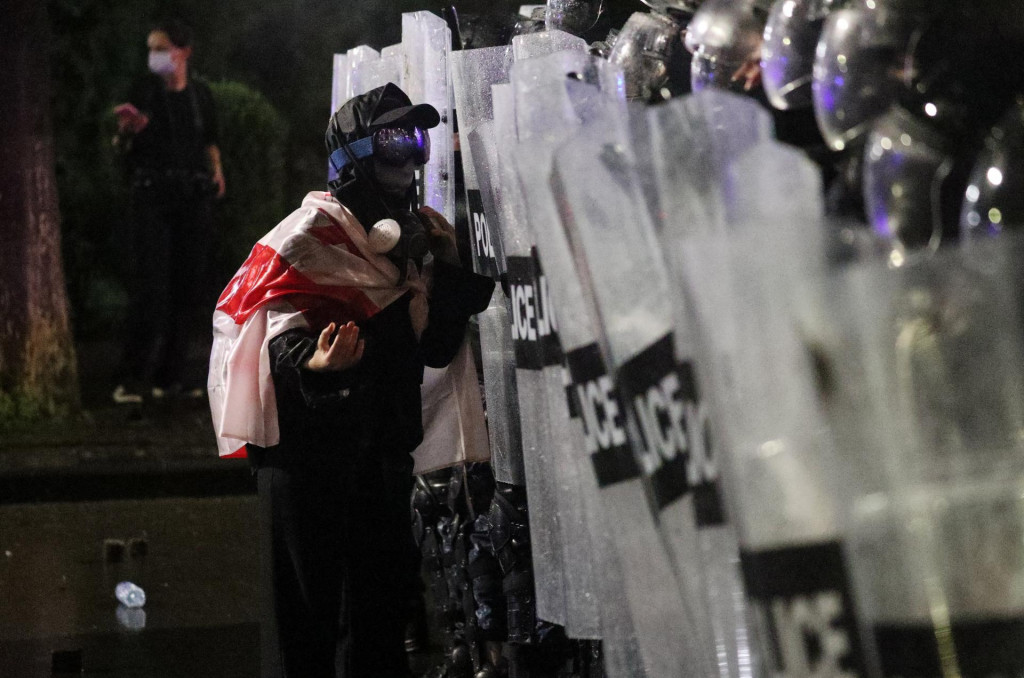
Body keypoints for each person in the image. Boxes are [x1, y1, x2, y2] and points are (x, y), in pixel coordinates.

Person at [207, 83, 495, 678]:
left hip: (379, 453)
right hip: (306, 456)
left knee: (377, 618)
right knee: (307, 624)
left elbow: (436, 349)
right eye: (394, 139)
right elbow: (261, 338)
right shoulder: (308, 238)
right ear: (355, 153)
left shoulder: (409, 244)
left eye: (418, 139)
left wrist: (446, 267)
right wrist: (313, 365)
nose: (411, 156)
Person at [112, 19, 225, 403]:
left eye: (161, 49)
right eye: (151, 49)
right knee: (150, 287)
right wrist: (129, 129)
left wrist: (216, 171)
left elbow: (209, 138)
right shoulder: (143, 91)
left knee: (187, 286)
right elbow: (121, 142)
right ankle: (131, 377)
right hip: (152, 196)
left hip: (191, 197)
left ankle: (172, 376)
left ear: (183, 52)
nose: (154, 57)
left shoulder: (199, 94)